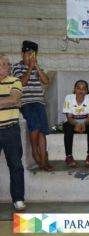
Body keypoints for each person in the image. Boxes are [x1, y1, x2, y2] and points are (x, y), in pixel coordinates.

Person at [12, 40, 53, 171]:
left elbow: (46, 81)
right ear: (22, 54)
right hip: (26, 102)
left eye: (33, 54)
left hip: (39, 101)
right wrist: (30, 68)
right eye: (28, 54)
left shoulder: (37, 67)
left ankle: (43, 159)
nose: (30, 57)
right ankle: (35, 152)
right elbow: (22, 83)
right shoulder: (17, 67)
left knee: (42, 130)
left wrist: (36, 67)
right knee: (34, 126)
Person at [0, 54, 25, 211]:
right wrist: (9, 102)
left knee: (16, 165)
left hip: (10, 129)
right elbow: (11, 101)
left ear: (9, 67)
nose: (0, 68)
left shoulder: (15, 82)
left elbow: (15, 98)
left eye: (3, 65)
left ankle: (18, 199)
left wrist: (13, 101)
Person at [62, 80, 89, 167]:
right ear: (74, 89)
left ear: (87, 91)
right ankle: (69, 156)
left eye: (84, 89)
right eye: (78, 88)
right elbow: (69, 117)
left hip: (86, 123)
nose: (81, 91)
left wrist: (84, 124)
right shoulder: (68, 98)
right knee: (67, 127)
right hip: (72, 123)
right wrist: (76, 124)